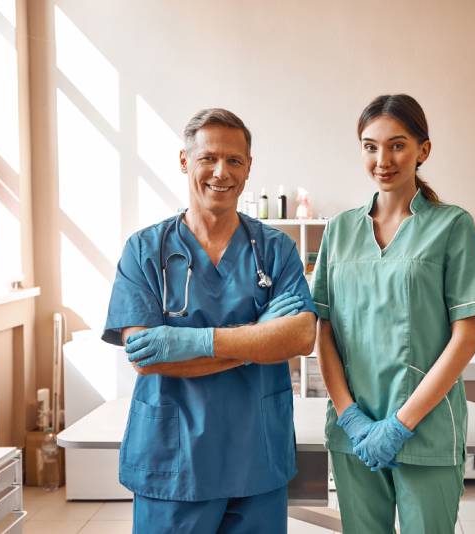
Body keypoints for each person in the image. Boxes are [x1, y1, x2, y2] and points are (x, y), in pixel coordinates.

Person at [102, 108, 317, 533]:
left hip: (257, 457)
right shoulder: (145, 250)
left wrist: (189, 343)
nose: (222, 172)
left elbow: (301, 335)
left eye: (235, 160)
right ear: (185, 161)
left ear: (249, 167)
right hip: (173, 461)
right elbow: (147, 357)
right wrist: (257, 339)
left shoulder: (275, 250)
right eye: (208, 158)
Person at [313, 94, 475, 533]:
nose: (383, 159)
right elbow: (323, 332)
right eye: (370, 146)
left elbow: (464, 339)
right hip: (354, 432)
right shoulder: (340, 231)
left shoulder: (452, 225)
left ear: (423, 150)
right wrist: (351, 418)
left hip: (426, 430)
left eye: (397, 145)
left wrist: (399, 425)